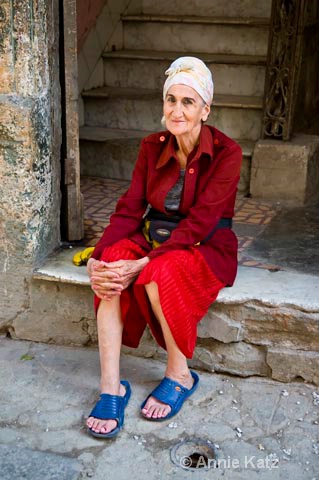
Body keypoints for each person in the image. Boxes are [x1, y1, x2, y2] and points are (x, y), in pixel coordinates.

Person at [85, 56, 242, 438]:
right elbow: (130, 209)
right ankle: (111, 387)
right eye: (171, 100)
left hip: (204, 243)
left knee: (157, 271)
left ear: (206, 109)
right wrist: (98, 257)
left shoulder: (227, 153)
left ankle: (179, 374)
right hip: (154, 234)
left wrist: (142, 264)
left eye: (188, 102)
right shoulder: (152, 146)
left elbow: (201, 223)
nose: (177, 110)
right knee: (112, 264)